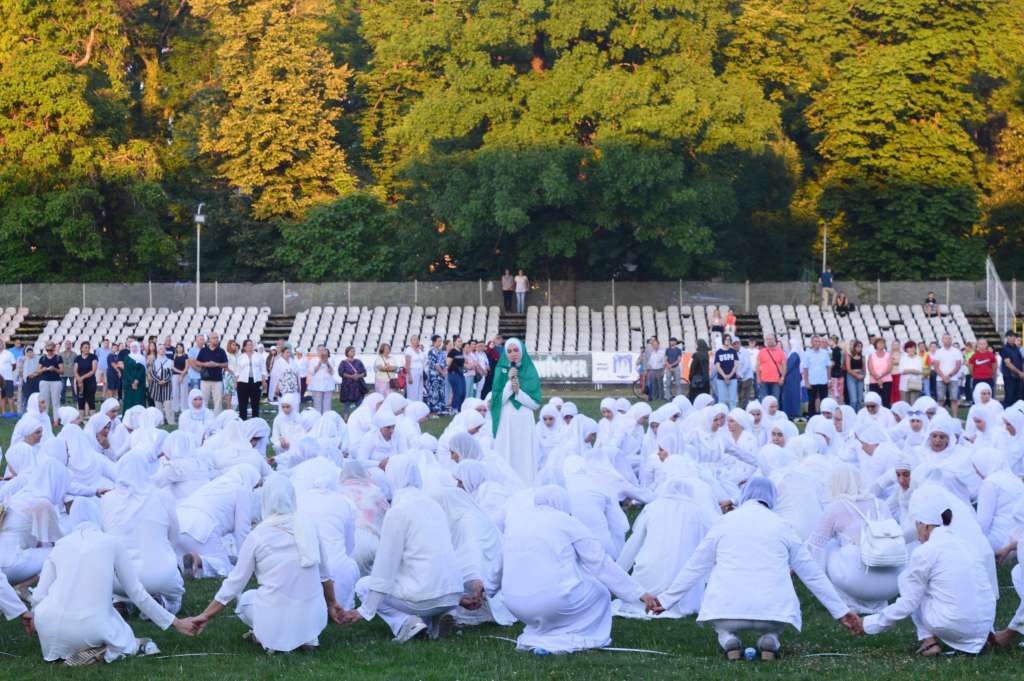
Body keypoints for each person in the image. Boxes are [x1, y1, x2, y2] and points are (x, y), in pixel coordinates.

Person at [649, 478, 862, 660]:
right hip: (773, 612)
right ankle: (771, 638)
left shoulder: (724, 522)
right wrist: (840, 611)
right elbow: (812, 574)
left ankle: (728, 638)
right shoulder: (782, 525)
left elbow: (695, 567)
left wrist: (667, 600)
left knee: (722, 624)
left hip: (726, 609)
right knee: (773, 621)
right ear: (772, 499)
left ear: (744, 495)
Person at [30, 498, 197, 665]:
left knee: (104, 617)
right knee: (130, 639)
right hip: (90, 626)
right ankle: (106, 651)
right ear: (98, 516)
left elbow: (38, 596)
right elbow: (136, 593)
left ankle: (70, 649)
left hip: (47, 626)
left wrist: (36, 620)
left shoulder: (60, 545)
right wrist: (175, 622)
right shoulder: (112, 542)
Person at [188, 474, 345, 652]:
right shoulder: (309, 527)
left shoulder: (258, 535)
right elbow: (324, 576)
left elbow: (234, 584)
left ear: (265, 501)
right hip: (314, 616)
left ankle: (270, 636)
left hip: (275, 616)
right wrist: (332, 603)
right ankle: (308, 638)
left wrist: (205, 615)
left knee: (246, 600)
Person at [502, 486, 657, 653]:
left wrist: (483, 591)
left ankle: (541, 635)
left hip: (514, 604)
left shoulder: (516, 521)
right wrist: (638, 593)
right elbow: (600, 563)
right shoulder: (566, 521)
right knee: (600, 593)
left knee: (558, 589)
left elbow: (501, 564)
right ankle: (572, 638)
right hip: (552, 603)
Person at [345, 456, 468, 642]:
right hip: (452, 593)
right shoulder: (433, 505)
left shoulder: (398, 511)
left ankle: (405, 623)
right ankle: (438, 618)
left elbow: (385, 566)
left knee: (363, 585)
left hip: (425, 596)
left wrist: (365, 609)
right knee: (418, 577)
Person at [862, 488, 996, 655]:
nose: (916, 532)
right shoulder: (965, 543)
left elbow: (908, 603)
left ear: (925, 526)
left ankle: (928, 642)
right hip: (984, 625)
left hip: (955, 624)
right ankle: (979, 639)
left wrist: (868, 624)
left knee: (906, 579)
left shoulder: (926, 551)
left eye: (917, 525)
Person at [100, 450, 186, 615]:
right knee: (174, 595)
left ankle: (121, 602)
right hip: (161, 577)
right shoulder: (162, 496)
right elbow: (174, 536)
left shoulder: (107, 499)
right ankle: (161, 605)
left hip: (119, 581)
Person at [491, 338, 541, 486]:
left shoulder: (530, 370)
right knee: (507, 451)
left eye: (516, 350)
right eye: (509, 351)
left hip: (524, 418)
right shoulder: (500, 370)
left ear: (522, 351)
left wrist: (519, 392)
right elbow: (496, 402)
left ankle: (526, 483)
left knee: (524, 454)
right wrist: (508, 383)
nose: (513, 354)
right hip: (506, 419)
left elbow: (535, 404)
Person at [196, 333, 229, 415]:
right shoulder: (203, 350)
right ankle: (204, 417)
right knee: (204, 400)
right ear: (209, 340)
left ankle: (217, 419)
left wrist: (216, 364)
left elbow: (226, 364)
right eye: (214, 338)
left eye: (217, 338)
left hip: (217, 380)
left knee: (218, 401)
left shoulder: (221, 351)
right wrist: (205, 364)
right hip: (205, 380)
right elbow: (197, 362)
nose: (216, 339)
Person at [932, 334, 962, 417]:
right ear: (942, 340)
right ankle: (938, 417)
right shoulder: (938, 352)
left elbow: (958, 365)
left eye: (949, 338)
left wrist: (949, 376)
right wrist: (943, 376)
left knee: (954, 399)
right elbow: (936, 367)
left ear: (951, 340)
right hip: (940, 379)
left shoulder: (956, 351)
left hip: (953, 378)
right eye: (945, 338)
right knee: (940, 399)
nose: (947, 340)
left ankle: (955, 417)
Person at [235, 339, 265, 419]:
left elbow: (263, 370)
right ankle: (243, 422)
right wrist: (236, 382)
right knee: (242, 404)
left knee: (255, 403)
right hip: (242, 382)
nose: (250, 346)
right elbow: (237, 371)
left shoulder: (259, 356)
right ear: (244, 347)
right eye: (248, 345)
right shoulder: (241, 357)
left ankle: (255, 422)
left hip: (256, 382)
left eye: (251, 344)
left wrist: (264, 381)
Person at [802, 336, 832, 417]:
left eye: (819, 341)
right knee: (811, 401)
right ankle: (811, 418)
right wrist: (806, 382)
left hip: (823, 381)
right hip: (812, 382)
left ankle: (824, 417)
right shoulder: (807, 353)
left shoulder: (825, 353)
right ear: (811, 343)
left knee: (824, 401)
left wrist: (829, 380)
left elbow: (828, 367)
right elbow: (805, 369)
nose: (817, 343)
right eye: (815, 341)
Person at [147, 345, 175, 426]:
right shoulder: (154, 361)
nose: (162, 350)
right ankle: (160, 422)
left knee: (168, 405)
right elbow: (152, 373)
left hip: (167, 386)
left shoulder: (170, 361)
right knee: (158, 406)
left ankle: (171, 422)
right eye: (160, 349)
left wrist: (165, 380)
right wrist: (158, 380)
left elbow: (171, 373)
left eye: (163, 349)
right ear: (158, 351)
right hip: (157, 386)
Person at [37, 341, 63, 426]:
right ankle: (45, 420)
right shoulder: (42, 358)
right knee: (45, 402)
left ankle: (56, 421)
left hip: (56, 381)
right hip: (44, 381)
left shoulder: (58, 358)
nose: (49, 351)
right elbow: (38, 371)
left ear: (54, 349)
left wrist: (54, 369)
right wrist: (44, 369)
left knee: (56, 402)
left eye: (51, 350)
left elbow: (62, 371)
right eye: (48, 350)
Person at [338, 346, 367, 416]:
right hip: (347, 387)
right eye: (351, 351)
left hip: (358, 387)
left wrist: (358, 376)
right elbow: (341, 373)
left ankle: (360, 418)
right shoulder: (343, 363)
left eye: (354, 351)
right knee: (346, 405)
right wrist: (351, 376)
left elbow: (364, 373)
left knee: (360, 405)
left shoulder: (358, 362)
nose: (353, 352)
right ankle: (346, 419)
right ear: (347, 353)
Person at [72, 341, 98, 418]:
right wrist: (78, 379)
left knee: (91, 400)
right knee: (80, 399)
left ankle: (93, 418)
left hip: (90, 381)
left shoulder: (93, 357)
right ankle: (81, 418)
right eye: (85, 347)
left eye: (88, 347)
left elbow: (93, 370)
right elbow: (75, 370)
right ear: (81, 348)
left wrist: (82, 378)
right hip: (80, 382)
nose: (87, 349)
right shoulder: (78, 358)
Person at [306, 346, 335, 414]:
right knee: (317, 405)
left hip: (328, 385)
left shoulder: (330, 360)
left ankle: (326, 420)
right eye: (320, 350)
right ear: (317, 352)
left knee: (327, 405)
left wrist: (327, 362)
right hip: (316, 385)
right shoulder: (313, 360)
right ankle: (318, 420)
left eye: (323, 350)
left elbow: (332, 372)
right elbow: (312, 372)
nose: (322, 352)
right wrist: (320, 361)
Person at [757, 334, 786, 401]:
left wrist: (783, 377)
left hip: (776, 381)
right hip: (763, 380)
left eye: (771, 339)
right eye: (768, 339)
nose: (769, 341)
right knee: (764, 400)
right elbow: (758, 366)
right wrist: (758, 378)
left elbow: (784, 366)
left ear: (774, 340)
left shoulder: (780, 352)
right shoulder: (761, 352)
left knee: (775, 400)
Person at [121, 342, 147, 411]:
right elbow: (126, 371)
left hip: (140, 383)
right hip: (129, 384)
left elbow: (142, 370)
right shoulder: (127, 357)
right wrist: (132, 381)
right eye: (132, 347)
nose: (134, 348)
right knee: (129, 401)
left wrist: (137, 381)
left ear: (138, 347)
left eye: (135, 347)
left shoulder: (142, 358)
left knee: (139, 400)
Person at [866, 338, 892, 409]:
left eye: (883, 343)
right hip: (874, 381)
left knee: (886, 401)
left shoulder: (888, 355)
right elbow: (870, 368)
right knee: (874, 401)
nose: (881, 344)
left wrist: (880, 377)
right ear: (875, 345)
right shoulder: (871, 355)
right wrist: (878, 378)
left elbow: (889, 368)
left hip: (887, 380)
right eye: (879, 343)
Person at [1000, 331, 1023, 407]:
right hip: (1009, 377)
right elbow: (1008, 364)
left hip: (1018, 378)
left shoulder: (1016, 348)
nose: (1014, 338)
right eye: (1012, 336)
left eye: (1014, 337)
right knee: (1009, 398)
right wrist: (1020, 373)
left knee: (1017, 398)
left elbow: (1020, 361)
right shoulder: (1004, 349)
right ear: (1008, 337)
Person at [898, 340, 925, 405]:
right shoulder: (903, 358)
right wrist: (912, 370)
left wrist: (908, 370)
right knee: (904, 404)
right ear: (906, 349)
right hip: (904, 384)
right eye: (909, 347)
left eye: (913, 347)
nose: (912, 349)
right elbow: (901, 370)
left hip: (915, 384)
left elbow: (919, 371)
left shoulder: (919, 358)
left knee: (914, 404)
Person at [404, 335, 427, 403]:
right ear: (411, 341)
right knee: (412, 391)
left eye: (417, 339)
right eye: (414, 339)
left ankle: (419, 406)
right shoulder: (409, 350)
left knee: (420, 390)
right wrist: (409, 376)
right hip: (412, 372)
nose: (416, 341)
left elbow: (424, 360)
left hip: (420, 372)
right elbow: (407, 364)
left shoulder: (420, 350)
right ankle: (411, 407)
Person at [446, 338, 466, 412]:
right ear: (455, 342)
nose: (460, 343)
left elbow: (462, 364)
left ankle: (460, 409)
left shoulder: (460, 351)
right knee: (458, 392)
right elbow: (448, 364)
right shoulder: (452, 352)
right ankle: (454, 408)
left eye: (461, 341)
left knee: (463, 392)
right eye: (459, 341)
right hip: (453, 374)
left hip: (460, 374)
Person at [643, 338, 665, 402]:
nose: (654, 346)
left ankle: (661, 398)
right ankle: (654, 398)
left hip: (659, 370)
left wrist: (663, 371)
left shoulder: (662, 352)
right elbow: (650, 362)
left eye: (656, 345)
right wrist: (648, 369)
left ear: (658, 345)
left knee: (660, 385)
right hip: (652, 370)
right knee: (653, 385)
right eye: (653, 345)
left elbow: (664, 362)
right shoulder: (652, 353)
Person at [0, 339, 16, 417]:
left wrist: (8, 371)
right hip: (0, 380)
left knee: (10, 395)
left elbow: (14, 365)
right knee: (2, 396)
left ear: (3, 344)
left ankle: (12, 412)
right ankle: (3, 413)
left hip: (8, 378)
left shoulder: (9, 353)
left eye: (0, 344)